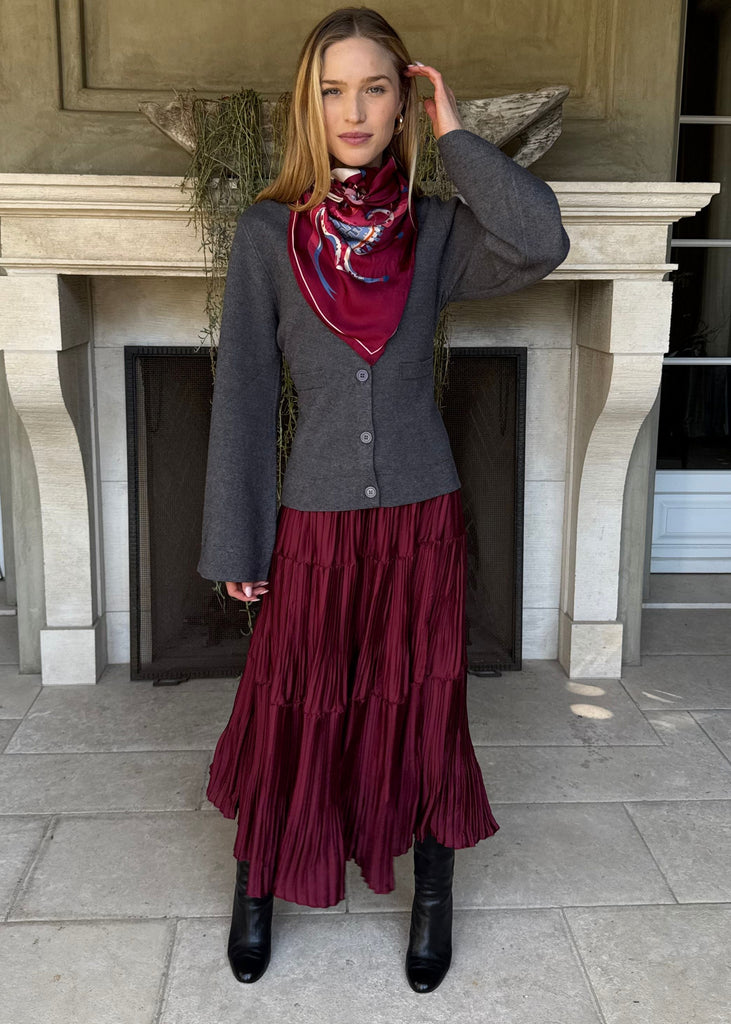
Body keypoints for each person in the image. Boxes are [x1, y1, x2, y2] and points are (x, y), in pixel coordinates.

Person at [198, 6, 570, 994]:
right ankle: (256, 882)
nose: (351, 110)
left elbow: (539, 242)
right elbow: (239, 392)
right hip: (312, 523)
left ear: (398, 102)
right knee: (294, 707)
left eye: (374, 87)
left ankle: (433, 891)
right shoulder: (267, 235)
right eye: (331, 89)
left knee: (422, 710)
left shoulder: (436, 231)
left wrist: (451, 135)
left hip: (420, 521)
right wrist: (239, 538)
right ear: (305, 107)